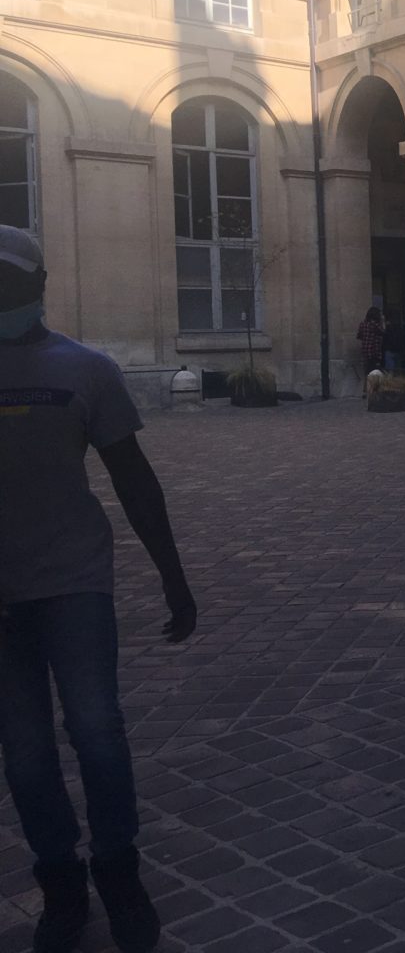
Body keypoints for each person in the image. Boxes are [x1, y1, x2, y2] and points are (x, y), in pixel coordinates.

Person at [0, 225, 196, 953]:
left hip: (75, 583)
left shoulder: (86, 370)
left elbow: (134, 480)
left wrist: (174, 577)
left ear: (40, 285)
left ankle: (118, 871)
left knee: (97, 731)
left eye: (9, 280)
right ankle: (60, 882)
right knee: (24, 752)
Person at [356, 306, 384, 379]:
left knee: (367, 372)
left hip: (365, 352)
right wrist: (382, 321)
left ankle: (367, 384)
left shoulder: (362, 324)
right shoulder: (376, 325)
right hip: (374, 352)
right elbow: (383, 332)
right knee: (375, 374)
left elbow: (359, 336)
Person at [382, 310, 405, 374]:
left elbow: (385, 338)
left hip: (391, 350)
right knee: (398, 371)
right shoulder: (401, 328)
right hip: (397, 350)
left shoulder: (388, 328)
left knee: (391, 371)